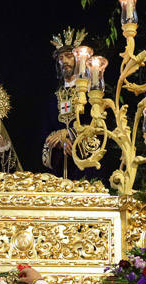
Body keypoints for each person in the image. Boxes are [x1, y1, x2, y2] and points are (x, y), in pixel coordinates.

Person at [41, 28, 96, 180]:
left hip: (84, 160)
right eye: (60, 58)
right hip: (59, 164)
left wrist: (69, 134)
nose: (64, 61)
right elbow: (45, 132)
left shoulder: (90, 93)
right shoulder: (53, 99)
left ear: (78, 59)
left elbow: (96, 125)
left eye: (68, 56)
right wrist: (60, 141)